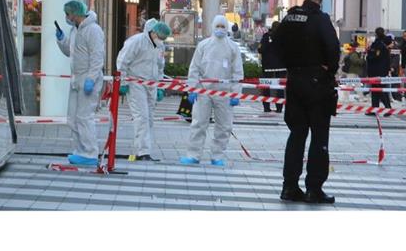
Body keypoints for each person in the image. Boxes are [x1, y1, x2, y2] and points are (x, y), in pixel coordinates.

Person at [274, 0, 340, 204]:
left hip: (294, 81)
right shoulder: (320, 19)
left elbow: (276, 42)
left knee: (296, 135)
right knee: (319, 136)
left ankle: (289, 186)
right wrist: (328, 69)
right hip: (317, 83)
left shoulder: (291, 16)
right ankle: (314, 188)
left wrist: (290, 65)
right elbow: (333, 48)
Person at [180, 15, 244, 166]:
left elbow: (237, 72)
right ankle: (193, 155)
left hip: (224, 92)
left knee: (224, 126)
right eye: (218, 26)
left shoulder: (232, 47)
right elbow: (194, 68)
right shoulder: (204, 45)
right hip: (203, 91)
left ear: (227, 28)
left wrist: (236, 93)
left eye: (223, 26)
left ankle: (217, 156)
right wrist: (192, 89)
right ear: (213, 27)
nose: (220, 29)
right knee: (198, 123)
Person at [56, 0, 106, 166]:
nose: (67, 17)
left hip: (87, 79)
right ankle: (80, 150)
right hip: (77, 79)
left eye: (68, 14)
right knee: (73, 118)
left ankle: (90, 152)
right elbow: (70, 52)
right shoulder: (75, 30)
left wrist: (91, 78)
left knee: (84, 117)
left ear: (75, 14)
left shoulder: (93, 30)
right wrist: (62, 40)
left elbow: (97, 57)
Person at [117, 18, 172, 161]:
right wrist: (123, 81)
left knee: (149, 118)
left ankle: (143, 149)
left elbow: (160, 66)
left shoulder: (160, 46)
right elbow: (122, 61)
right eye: (160, 37)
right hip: (136, 82)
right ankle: (143, 152)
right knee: (141, 117)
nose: (162, 40)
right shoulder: (137, 42)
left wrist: (159, 86)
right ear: (153, 32)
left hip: (151, 84)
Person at [258, 21, 285, 113]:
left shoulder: (266, 37)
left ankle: (266, 107)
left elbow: (261, 49)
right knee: (280, 88)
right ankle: (279, 108)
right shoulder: (284, 37)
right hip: (281, 67)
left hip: (268, 66)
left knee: (266, 87)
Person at [367, 28, 392, 112]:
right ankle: (375, 108)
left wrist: (369, 53)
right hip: (382, 69)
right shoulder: (385, 43)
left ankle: (387, 108)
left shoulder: (378, 44)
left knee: (379, 90)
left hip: (376, 69)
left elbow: (373, 56)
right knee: (378, 90)